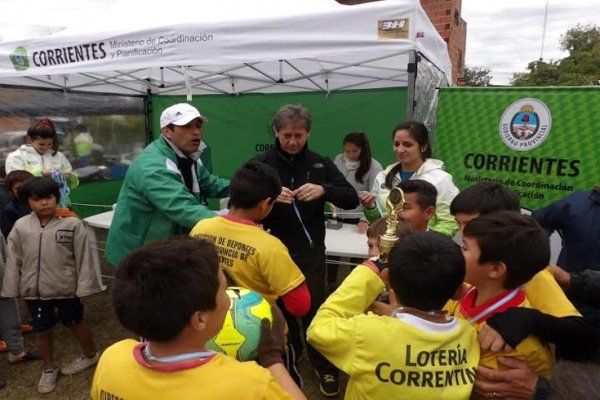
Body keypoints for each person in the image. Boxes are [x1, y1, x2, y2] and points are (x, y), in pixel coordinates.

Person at [92, 236, 305, 400]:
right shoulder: (249, 385)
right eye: (224, 289)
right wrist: (272, 360)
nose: (230, 297)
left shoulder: (112, 360)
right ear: (199, 319)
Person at [254, 104, 359, 397]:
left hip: (310, 252)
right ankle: (291, 356)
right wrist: (271, 196)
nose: (292, 142)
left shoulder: (320, 164)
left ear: (308, 132)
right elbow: (243, 197)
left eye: (298, 135)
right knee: (281, 312)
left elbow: (351, 198)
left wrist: (324, 190)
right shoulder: (262, 164)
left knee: (315, 311)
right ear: (276, 132)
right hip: (272, 251)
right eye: (286, 135)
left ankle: (323, 365)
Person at [307, 232, 480, 400]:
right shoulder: (470, 335)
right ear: (460, 291)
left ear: (387, 278)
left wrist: (367, 273)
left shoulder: (368, 333)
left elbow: (318, 329)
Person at [1, 177, 101, 394]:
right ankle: (49, 368)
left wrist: (85, 286)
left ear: (57, 197)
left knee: (75, 322)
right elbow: (13, 259)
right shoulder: (21, 226)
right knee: (42, 330)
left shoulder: (72, 223)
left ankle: (90, 354)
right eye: (37, 199)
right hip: (34, 292)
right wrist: (9, 288)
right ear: (27, 201)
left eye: (49, 197)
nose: (44, 203)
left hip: (65, 288)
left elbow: (84, 256)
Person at [104, 103, 230, 267]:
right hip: (139, 252)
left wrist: (251, 189)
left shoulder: (187, 156)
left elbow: (211, 184)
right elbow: (183, 208)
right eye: (186, 126)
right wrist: (235, 225)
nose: (196, 132)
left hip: (165, 246)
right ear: (167, 131)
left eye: (199, 126)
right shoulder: (153, 166)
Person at [190, 160, 311, 318]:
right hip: (257, 331)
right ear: (265, 204)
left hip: (210, 325)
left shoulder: (200, 228)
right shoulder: (270, 246)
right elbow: (300, 305)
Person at [449, 211, 555, 379]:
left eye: (465, 248)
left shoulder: (512, 347)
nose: (456, 253)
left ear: (495, 269)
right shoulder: (468, 292)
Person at [5, 119, 79, 207]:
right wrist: (41, 174)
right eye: (41, 144)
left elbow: (74, 182)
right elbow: (15, 183)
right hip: (30, 205)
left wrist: (69, 177)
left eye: (49, 144)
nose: (46, 147)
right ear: (30, 140)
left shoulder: (59, 156)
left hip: (59, 204)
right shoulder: (16, 156)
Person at [332, 131, 383, 231]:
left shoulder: (374, 167)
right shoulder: (339, 159)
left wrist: (365, 219)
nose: (350, 155)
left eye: (355, 151)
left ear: (363, 149)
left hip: (358, 219)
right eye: (347, 151)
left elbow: (376, 196)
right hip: (337, 215)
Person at [0, 170, 33, 238]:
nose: (24, 190)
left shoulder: (42, 202)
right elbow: (9, 235)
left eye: (27, 186)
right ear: (10, 191)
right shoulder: (11, 210)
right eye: (18, 188)